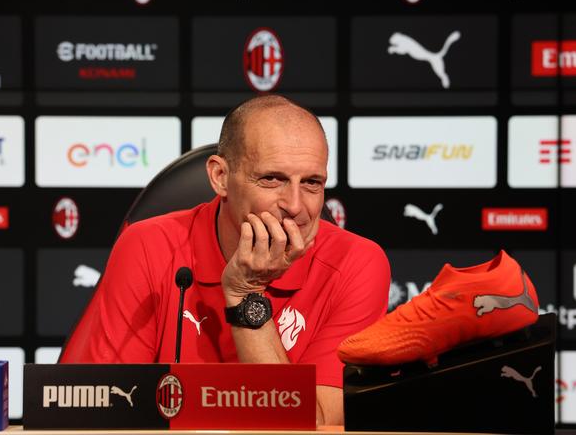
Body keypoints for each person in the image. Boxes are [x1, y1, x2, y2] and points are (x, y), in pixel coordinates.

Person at [59, 94, 390, 425]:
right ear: (220, 177)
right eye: (272, 179)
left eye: (311, 183)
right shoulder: (146, 247)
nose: (294, 204)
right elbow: (95, 410)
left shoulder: (356, 264)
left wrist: (246, 293)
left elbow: (310, 426)